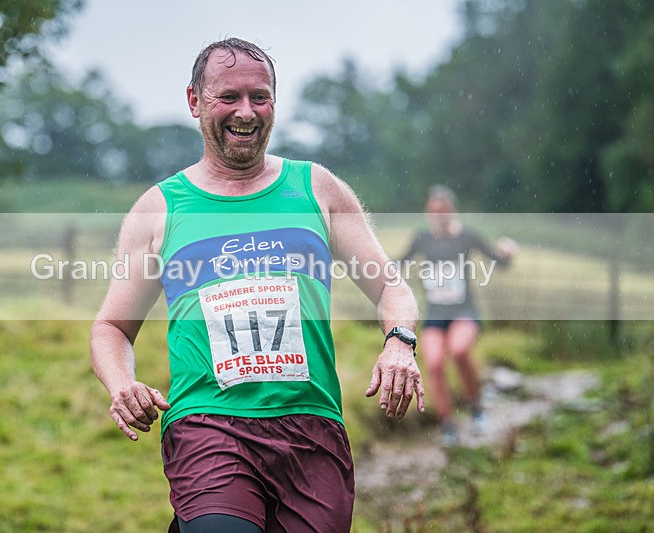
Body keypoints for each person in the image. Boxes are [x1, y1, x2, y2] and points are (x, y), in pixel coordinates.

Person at [90, 38, 424, 533]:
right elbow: (112, 327)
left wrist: (400, 343)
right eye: (228, 97)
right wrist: (122, 386)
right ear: (194, 102)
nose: (246, 111)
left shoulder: (317, 189)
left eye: (260, 96)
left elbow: (391, 289)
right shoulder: (159, 209)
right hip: (209, 425)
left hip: (311, 428)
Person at [400, 185, 518, 447]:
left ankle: (476, 405)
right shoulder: (422, 239)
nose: (438, 217)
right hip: (435, 314)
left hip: (464, 311)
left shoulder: (467, 237)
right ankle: (448, 424)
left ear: (452, 211)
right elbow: (399, 264)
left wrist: (507, 253)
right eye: (433, 212)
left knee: (459, 350)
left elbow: (499, 262)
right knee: (433, 364)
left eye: (442, 212)